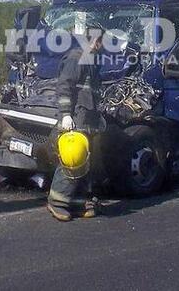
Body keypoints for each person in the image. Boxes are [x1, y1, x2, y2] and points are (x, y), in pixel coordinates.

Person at [47, 26, 105, 222]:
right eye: (100, 41)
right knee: (73, 159)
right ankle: (58, 201)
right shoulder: (76, 57)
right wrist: (65, 114)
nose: (102, 46)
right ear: (94, 41)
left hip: (88, 119)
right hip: (76, 117)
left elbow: (92, 93)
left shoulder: (91, 60)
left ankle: (80, 202)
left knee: (85, 162)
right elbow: (65, 87)